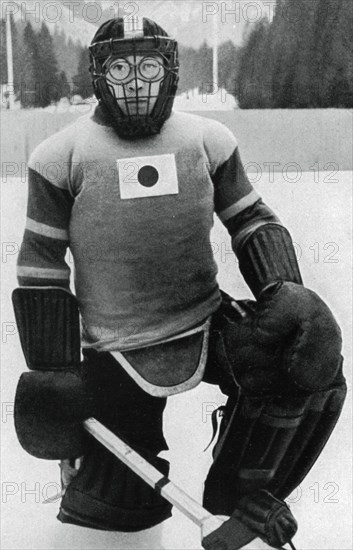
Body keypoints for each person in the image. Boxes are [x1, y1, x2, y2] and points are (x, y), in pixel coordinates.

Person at [15, 16, 346, 538]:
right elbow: (40, 266)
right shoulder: (59, 156)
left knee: (302, 360)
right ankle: (101, 488)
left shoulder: (208, 139)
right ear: (98, 74)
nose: (136, 81)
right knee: (115, 513)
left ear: (169, 69)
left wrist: (283, 291)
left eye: (147, 65)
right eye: (121, 66)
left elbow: (251, 219)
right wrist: (54, 368)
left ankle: (240, 496)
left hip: (204, 319)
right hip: (114, 344)